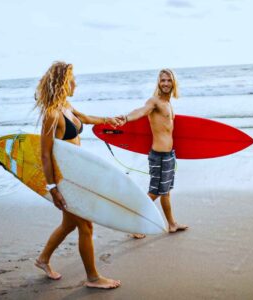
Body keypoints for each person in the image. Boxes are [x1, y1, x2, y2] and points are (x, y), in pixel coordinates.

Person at [34, 61, 121, 289]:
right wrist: (53, 189)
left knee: (69, 225)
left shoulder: (66, 106)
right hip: (66, 180)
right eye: (72, 80)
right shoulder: (52, 115)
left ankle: (42, 259)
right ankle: (93, 278)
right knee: (86, 227)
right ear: (63, 82)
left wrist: (106, 120)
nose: (76, 84)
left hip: (78, 175)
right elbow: (45, 155)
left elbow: (84, 117)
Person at [117, 68, 188, 239]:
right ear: (158, 83)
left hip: (169, 154)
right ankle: (136, 224)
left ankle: (171, 224)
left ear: (173, 83)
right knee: (155, 192)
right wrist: (126, 118)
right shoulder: (154, 102)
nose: (165, 83)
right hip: (159, 156)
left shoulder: (169, 103)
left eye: (168, 80)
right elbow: (141, 111)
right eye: (162, 80)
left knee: (166, 191)